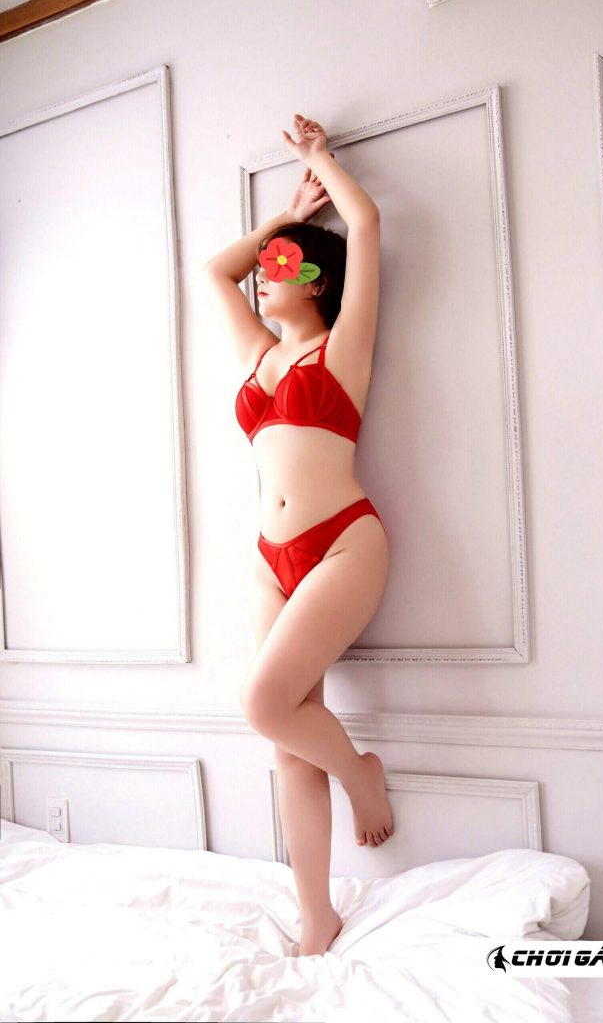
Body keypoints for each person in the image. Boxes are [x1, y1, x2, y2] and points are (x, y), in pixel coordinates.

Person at [202, 114, 393, 957]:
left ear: (316, 283)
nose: (262, 277)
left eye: (280, 267)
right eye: (267, 266)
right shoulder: (258, 355)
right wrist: (284, 219)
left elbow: (367, 223)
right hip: (269, 562)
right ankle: (317, 914)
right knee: (287, 736)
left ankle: (362, 776)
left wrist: (319, 159)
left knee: (263, 705)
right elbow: (215, 271)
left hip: (345, 544)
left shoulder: (344, 346)